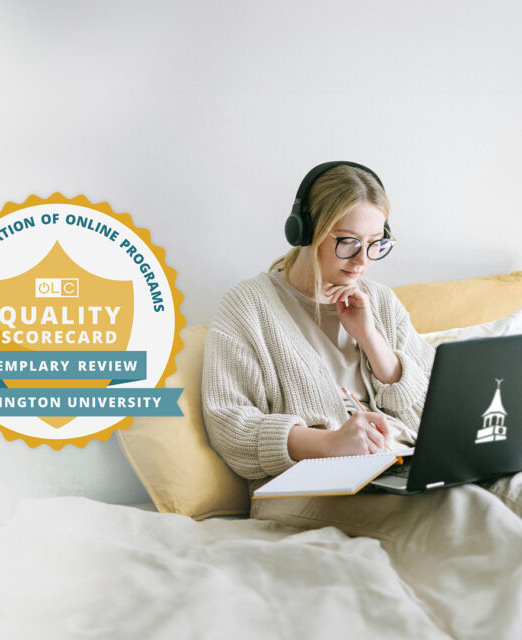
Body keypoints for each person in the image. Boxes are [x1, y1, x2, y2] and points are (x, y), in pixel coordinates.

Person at [201, 161, 522, 556]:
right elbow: (229, 425)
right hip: (304, 487)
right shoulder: (248, 306)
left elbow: (434, 412)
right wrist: (330, 442)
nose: (362, 261)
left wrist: (372, 340)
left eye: (376, 244)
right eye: (348, 242)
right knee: (465, 517)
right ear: (305, 231)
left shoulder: (379, 301)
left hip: (405, 466)